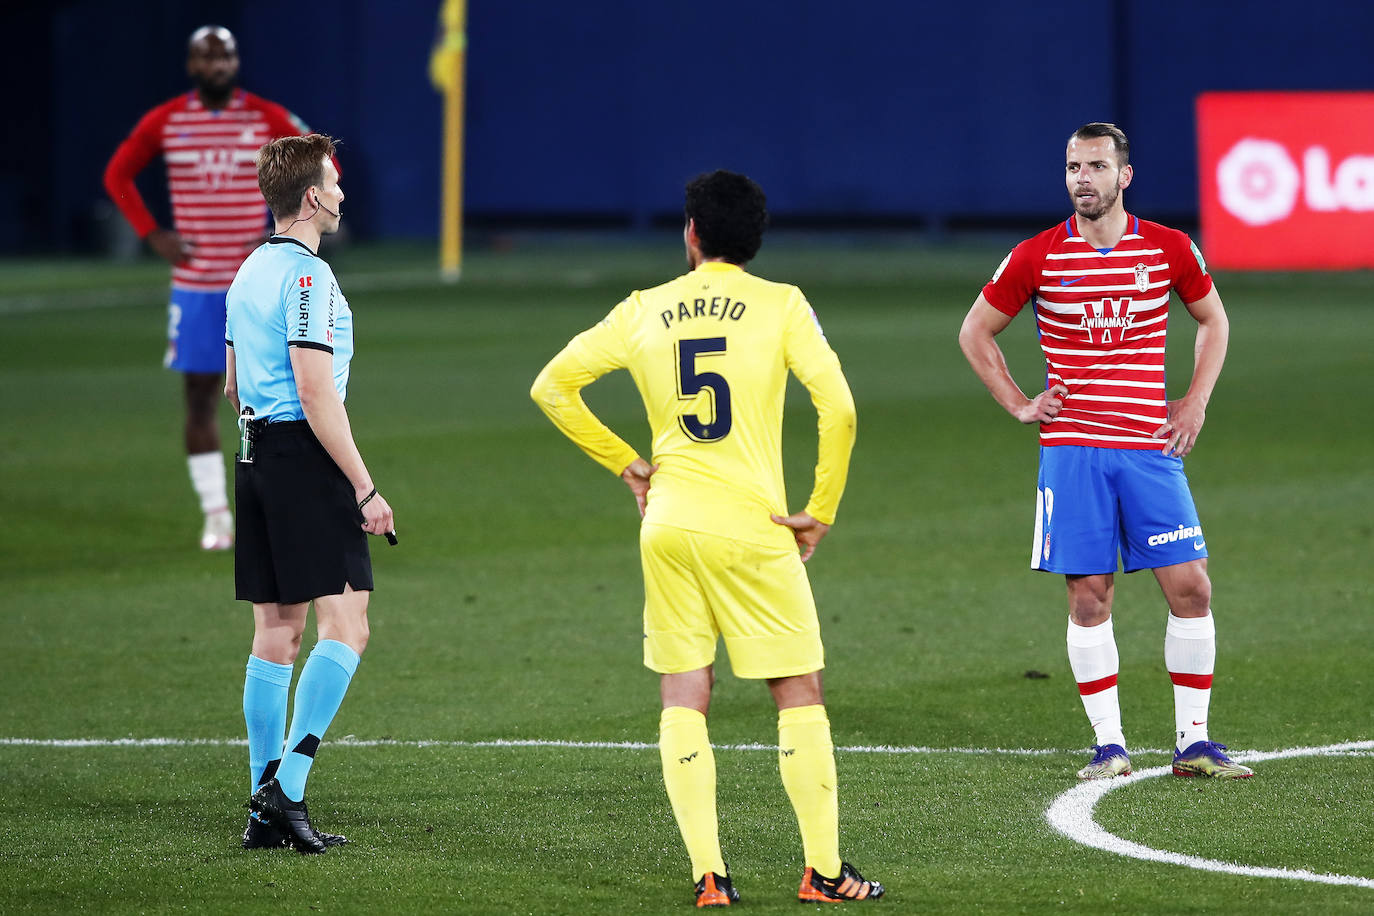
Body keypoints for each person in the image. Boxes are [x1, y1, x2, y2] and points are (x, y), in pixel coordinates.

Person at [531, 170, 884, 907]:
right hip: (754, 528)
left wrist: (628, 464)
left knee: (685, 689)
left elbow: (552, 387)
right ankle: (822, 871)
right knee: (797, 691)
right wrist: (819, 508)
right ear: (754, 238)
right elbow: (840, 410)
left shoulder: (644, 309)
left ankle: (709, 878)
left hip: (668, 523)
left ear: (691, 233)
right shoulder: (782, 305)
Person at [958, 122, 1253, 781]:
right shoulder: (1037, 255)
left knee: (1191, 586)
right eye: (1071, 167)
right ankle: (1110, 746)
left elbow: (1214, 319)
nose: (1080, 179)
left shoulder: (1170, 248)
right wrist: (1017, 402)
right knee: (1090, 597)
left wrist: (1195, 400)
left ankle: (1194, 743)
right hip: (1074, 451)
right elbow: (976, 331)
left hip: (1150, 448)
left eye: (1094, 166)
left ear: (1125, 176)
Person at [226, 133, 396, 853]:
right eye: (335, 183)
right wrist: (364, 486)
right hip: (302, 457)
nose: (344, 194)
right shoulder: (307, 279)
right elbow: (315, 386)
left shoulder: (246, 272)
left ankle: (264, 806)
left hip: (256, 456)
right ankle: (286, 791)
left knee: (276, 633)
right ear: (313, 197)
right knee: (348, 626)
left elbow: (233, 382)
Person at [103, 25, 324, 551]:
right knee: (201, 398)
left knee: (280, 396)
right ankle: (217, 515)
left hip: (260, 283)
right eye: (207, 58)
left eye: (225, 56)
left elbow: (317, 159)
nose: (218, 66)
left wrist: (286, 221)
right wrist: (150, 232)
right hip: (198, 285)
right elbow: (118, 175)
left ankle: (280, 501)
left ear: (236, 62)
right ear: (192, 66)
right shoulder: (168, 120)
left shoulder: (265, 117)